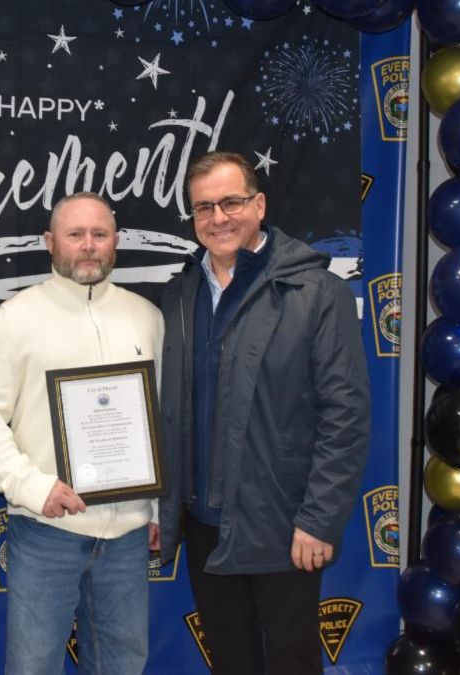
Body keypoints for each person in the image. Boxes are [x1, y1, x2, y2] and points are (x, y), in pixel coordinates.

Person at [157, 151, 371, 674]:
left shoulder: (316, 292)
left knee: (292, 662)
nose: (218, 218)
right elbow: (172, 415)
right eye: (203, 207)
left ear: (259, 204)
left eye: (231, 202)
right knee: (231, 661)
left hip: (284, 527)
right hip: (205, 523)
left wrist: (319, 520)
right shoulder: (180, 296)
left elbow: (345, 415)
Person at [0, 192, 164, 675]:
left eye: (100, 235)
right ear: (49, 242)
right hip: (46, 532)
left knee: (123, 663)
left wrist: (157, 505)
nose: (88, 246)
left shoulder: (148, 317)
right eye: (75, 235)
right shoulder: (12, 321)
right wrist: (35, 488)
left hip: (127, 534)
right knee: (34, 666)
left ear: (116, 242)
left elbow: (163, 421)